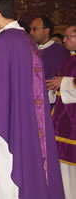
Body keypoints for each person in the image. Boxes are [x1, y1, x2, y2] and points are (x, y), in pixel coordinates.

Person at [0, 0, 64, 198]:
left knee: (5, 173)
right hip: (21, 117)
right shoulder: (23, 37)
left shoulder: (6, 40)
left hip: (6, 122)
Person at [46, 25, 76, 198]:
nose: (64, 40)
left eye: (68, 36)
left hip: (72, 124)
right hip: (63, 123)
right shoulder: (69, 59)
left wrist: (63, 83)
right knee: (66, 173)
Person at [30, 16, 69, 104]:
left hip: (50, 103)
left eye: (34, 29)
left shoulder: (60, 52)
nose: (31, 32)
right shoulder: (29, 50)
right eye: (30, 29)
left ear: (46, 31)